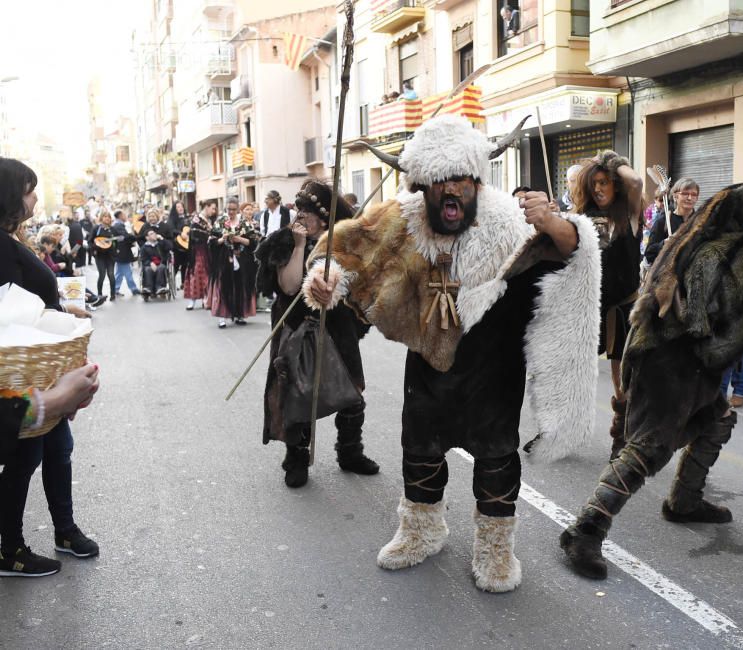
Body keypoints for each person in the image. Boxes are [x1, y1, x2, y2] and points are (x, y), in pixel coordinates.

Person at [305, 114, 600, 593]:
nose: (450, 192)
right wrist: (326, 281)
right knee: (419, 449)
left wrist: (554, 222)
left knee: (496, 457)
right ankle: (421, 530)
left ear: (478, 180)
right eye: (439, 182)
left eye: (461, 181)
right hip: (428, 361)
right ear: (421, 184)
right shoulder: (403, 218)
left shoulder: (509, 219)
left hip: (494, 363)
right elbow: (344, 251)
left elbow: (572, 252)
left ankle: (495, 547)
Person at [559, 182, 743, 580]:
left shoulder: (719, 248)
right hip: (671, 363)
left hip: (686, 362)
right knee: (648, 448)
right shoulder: (738, 255)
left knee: (717, 419)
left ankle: (684, 500)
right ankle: (585, 531)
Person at [0, 157, 101, 577]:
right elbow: (9, 314)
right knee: (26, 459)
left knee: (59, 450)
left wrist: (62, 307)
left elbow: (31, 301)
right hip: (24, 376)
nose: (35, 197)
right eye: (28, 189)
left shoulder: (12, 238)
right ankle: (11, 549)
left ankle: (65, 530)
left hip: (45, 367)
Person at [255, 181, 380, 487]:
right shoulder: (285, 241)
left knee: (352, 393)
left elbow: (360, 284)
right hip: (296, 328)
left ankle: (350, 452)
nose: (299, 216)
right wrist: (299, 246)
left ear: (324, 219)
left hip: (337, 328)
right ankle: (296, 460)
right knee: (298, 397)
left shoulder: (342, 244)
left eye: (306, 212)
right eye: (298, 209)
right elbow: (288, 286)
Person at [570, 151, 643, 459]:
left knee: (620, 373)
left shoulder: (631, 214)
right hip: (588, 304)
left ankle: (622, 434)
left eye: (604, 183)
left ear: (615, 185)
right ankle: (562, 430)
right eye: (594, 183)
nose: (598, 189)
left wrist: (610, 162)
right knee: (572, 369)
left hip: (622, 306)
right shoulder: (581, 218)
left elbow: (637, 180)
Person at [207, 199, 258, 328]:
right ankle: (222, 316)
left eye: (233, 209)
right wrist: (222, 239)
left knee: (241, 286)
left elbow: (253, 243)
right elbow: (211, 242)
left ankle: (240, 314)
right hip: (224, 260)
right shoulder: (220, 222)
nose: (231, 212)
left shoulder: (244, 223)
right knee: (223, 286)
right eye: (229, 209)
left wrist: (239, 239)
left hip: (242, 260)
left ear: (238, 210)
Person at [644, 178, 699, 265]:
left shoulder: (700, 222)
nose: (689, 198)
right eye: (685, 194)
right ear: (675, 196)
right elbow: (649, 254)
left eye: (694, 195)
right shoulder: (663, 222)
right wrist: (664, 243)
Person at [183, 201, 215, 310]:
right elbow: (195, 236)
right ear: (206, 207)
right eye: (212, 208)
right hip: (198, 251)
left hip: (208, 251)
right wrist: (208, 237)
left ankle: (205, 298)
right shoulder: (196, 220)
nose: (213, 211)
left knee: (207, 275)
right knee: (196, 273)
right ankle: (192, 300)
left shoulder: (209, 221)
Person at [90, 210, 117, 301]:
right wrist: (95, 248)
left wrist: (115, 247)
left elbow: (117, 241)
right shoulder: (96, 228)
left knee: (111, 274)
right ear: (101, 218)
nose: (107, 218)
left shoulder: (113, 229)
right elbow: (90, 241)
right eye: (105, 216)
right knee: (102, 274)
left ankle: (113, 294)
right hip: (100, 256)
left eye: (109, 217)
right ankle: (99, 294)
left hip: (110, 256)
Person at [111, 210, 139, 297]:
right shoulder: (118, 225)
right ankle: (134, 289)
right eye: (124, 214)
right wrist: (134, 237)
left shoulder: (118, 224)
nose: (126, 216)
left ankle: (115, 289)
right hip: (122, 252)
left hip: (121, 251)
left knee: (119, 273)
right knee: (128, 272)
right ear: (120, 215)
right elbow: (125, 236)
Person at [139, 229, 170, 297]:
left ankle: (160, 287)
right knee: (147, 269)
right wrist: (150, 263)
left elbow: (169, 247)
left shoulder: (160, 244)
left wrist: (162, 239)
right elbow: (143, 259)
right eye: (151, 234)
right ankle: (148, 288)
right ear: (147, 237)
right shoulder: (144, 247)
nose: (154, 234)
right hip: (149, 264)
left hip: (160, 263)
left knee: (161, 268)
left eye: (154, 233)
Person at [168, 201, 189, 288]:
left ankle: (184, 283)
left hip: (187, 244)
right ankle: (170, 281)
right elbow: (171, 230)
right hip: (177, 244)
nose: (181, 208)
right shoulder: (172, 219)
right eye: (178, 207)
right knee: (176, 264)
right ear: (175, 209)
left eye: (181, 206)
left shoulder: (187, 218)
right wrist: (180, 233)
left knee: (185, 264)